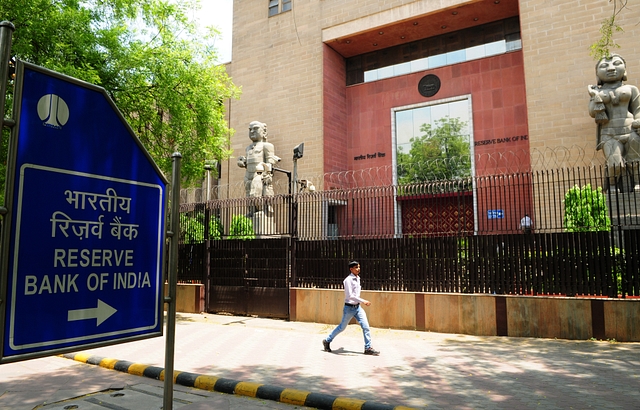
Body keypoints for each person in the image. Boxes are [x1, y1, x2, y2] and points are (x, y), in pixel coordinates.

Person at [588, 54, 640, 192]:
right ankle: (612, 186)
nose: (611, 68)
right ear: (597, 74)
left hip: (631, 129)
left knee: (635, 161)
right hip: (609, 132)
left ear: (625, 70)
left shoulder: (631, 89)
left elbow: (638, 109)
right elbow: (593, 112)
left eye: (616, 64)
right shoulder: (597, 91)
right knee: (614, 163)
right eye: (604, 66)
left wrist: (638, 121)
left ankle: (637, 183)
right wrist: (594, 96)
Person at [322, 261, 380, 356]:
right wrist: (363, 301)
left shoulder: (358, 279)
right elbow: (350, 296)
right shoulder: (348, 280)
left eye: (359, 267)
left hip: (358, 308)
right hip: (349, 308)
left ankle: (368, 348)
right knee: (342, 327)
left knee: (366, 327)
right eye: (356, 267)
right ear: (351, 269)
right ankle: (327, 340)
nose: (358, 269)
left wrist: (360, 302)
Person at [237, 121, 281, 198]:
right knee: (248, 195)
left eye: (255, 128)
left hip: (259, 174)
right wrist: (243, 162)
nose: (252, 131)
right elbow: (248, 161)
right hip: (248, 174)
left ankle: (261, 209)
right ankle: (251, 210)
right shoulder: (248, 148)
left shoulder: (267, 146)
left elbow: (270, 161)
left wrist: (266, 172)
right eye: (250, 129)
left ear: (264, 132)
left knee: (257, 194)